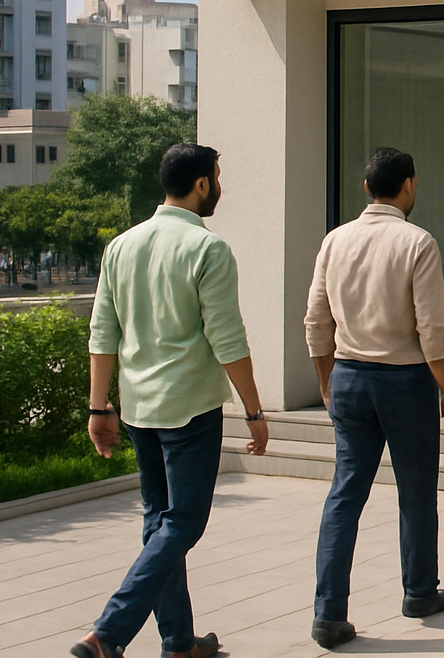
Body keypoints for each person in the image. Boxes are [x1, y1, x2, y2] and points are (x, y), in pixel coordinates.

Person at [73, 144, 268, 658]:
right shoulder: (209, 250)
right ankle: (107, 634)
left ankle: (178, 643)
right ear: (201, 184)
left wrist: (99, 409)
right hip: (190, 410)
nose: (220, 188)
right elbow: (228, 340)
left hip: (139, 409)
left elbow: (102, 334)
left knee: (159, 521)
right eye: (218, 179)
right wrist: (254, 410)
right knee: (182, 523)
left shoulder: (122, 246)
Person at [304, 147, 444, 649]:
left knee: (344, 495)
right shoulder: (417, 242)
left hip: (350, 376)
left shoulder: (335, 241)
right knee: (416, 491)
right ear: (409, 184)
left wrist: (327, 378)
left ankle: (328, 613)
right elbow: (432, 330)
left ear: (366, 187)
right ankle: (419, 591)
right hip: (405, 381)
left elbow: (316, 322)